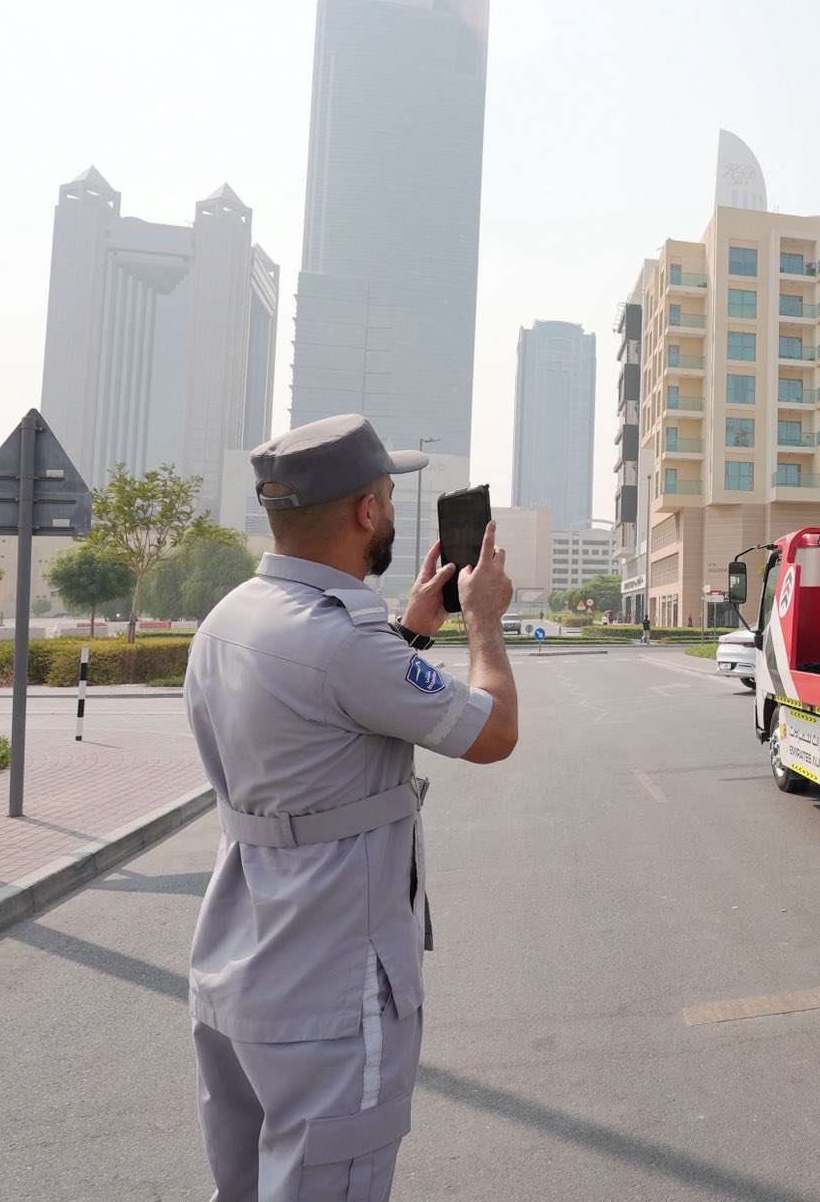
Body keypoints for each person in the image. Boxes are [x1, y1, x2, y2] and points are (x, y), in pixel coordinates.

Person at [185, 414, 521, 1200]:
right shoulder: (344, 642)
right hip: (331, 994)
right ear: (367, 511)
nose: (393, 513)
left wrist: (411, 632)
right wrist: (482, 620)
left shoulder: (231, 618)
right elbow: (495, 731)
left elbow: (330, 712)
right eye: (389, 499)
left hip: (239, 967)